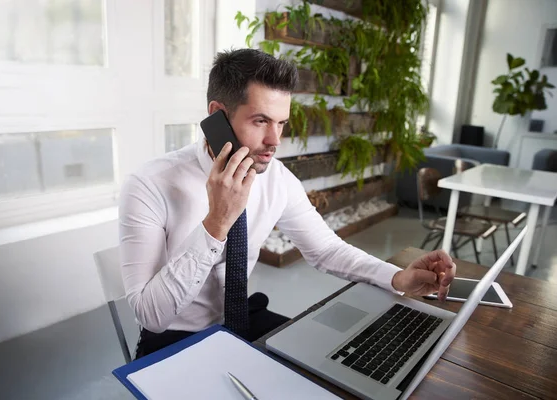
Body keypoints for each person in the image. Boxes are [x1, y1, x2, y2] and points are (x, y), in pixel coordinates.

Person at [119, 48, 455, 359]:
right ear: (217, 116)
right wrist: (217, 222)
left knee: (334, 366)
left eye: (281, 123)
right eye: (261, 121)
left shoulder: (277, 178)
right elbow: (153, 316)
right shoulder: (149, 185)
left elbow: (326, 250)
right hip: (175, 337)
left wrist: (397, 278)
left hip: (241, 318)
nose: (274, 141)